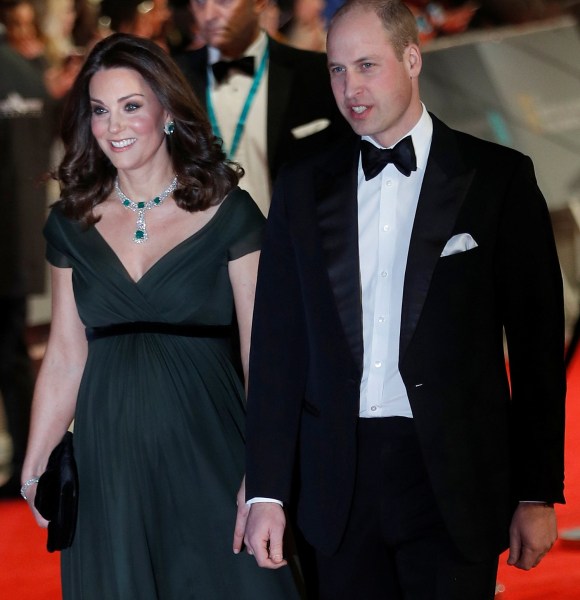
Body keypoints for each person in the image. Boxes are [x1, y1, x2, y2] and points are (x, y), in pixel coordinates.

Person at [239, 1, 566, 598]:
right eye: (337, 70)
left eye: (366, 66)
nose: (349, 88)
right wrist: (266, 489)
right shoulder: (301, 185)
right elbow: (277, 348)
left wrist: (536, 491)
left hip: (453, 478)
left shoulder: (498, 178)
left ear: (412, 59)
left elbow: (537, 350)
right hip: (336, 480)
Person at [20, 32, 300, 599]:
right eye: (99, 110)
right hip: (110, 466)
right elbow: (66, 357)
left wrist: (266, 475)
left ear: (167, 111)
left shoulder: (231, 213)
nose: (113, 125)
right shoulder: (71, 223)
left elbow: (263, 353)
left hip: (211, 447)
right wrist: (35, 466)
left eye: (131, 106)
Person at [174, 0, 352, 215]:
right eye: (200, 3)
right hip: (203, 239)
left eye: (223, 1)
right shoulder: (172, 78)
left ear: (259, 3)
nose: (209, 14)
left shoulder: (317, 75)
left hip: (292, 237)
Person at [0, 29, 52, 499]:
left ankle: (21, 464)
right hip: (23, 245)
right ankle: (22, 464)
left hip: (12, 243)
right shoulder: (27, 73)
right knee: (14, 359)